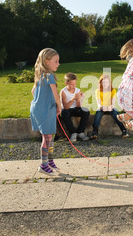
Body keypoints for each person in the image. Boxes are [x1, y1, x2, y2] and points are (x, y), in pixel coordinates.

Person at [30, 48, 62, 176]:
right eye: (56, 61)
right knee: (47, 136)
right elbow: (56, 94)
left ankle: (49, 161)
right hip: (45, 110)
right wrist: (59, 107)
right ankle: (43, 165)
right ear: (47, 62)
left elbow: (33, 92)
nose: (58, 64)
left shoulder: (40, 76)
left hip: (40, 109)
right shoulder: (49, 77)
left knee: (50, 135)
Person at [90, 74, 129, 139]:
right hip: (102, 107)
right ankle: (94, 132)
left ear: (109, 83)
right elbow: (99, 104)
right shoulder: (98, 91)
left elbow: (113, 103)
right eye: (103, 82)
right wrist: (103, 107)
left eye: (107, 82)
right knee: (98, 115)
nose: (105, 84)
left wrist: (109, 107)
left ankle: (124, 131)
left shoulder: (113, 90)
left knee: (117, 116)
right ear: (100, 83)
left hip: (111, 107)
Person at [60, 72, 90, 142]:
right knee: (64, 112)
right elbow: (66, 106)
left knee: (86, 111)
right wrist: (73, 98)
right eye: (71, 85)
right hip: (67, 110)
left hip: (75, 109)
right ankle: (73, 133)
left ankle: (80, 132)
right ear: (66, 83)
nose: (73, 86)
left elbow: (78, 106)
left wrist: (81, 98)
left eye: (75, 84)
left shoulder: (77, 90)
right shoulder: (63, 92)